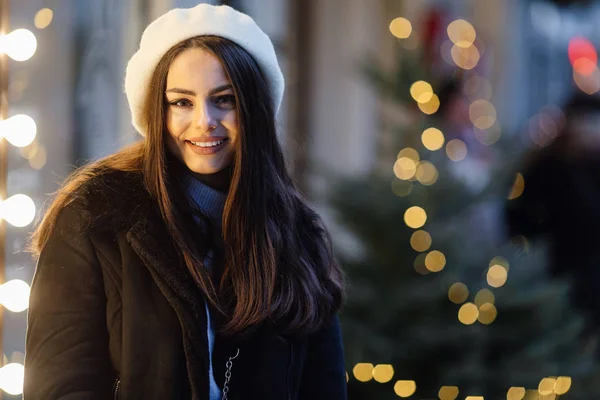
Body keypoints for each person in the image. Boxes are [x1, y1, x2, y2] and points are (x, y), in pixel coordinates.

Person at [23, 3, 346, 399]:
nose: (204, 120)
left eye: (224, 99)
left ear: (253, 109)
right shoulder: (94, 216)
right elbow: (59, 386)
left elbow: (324, 387)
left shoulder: (297, 234)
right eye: (181, 102)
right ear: (158, 112)